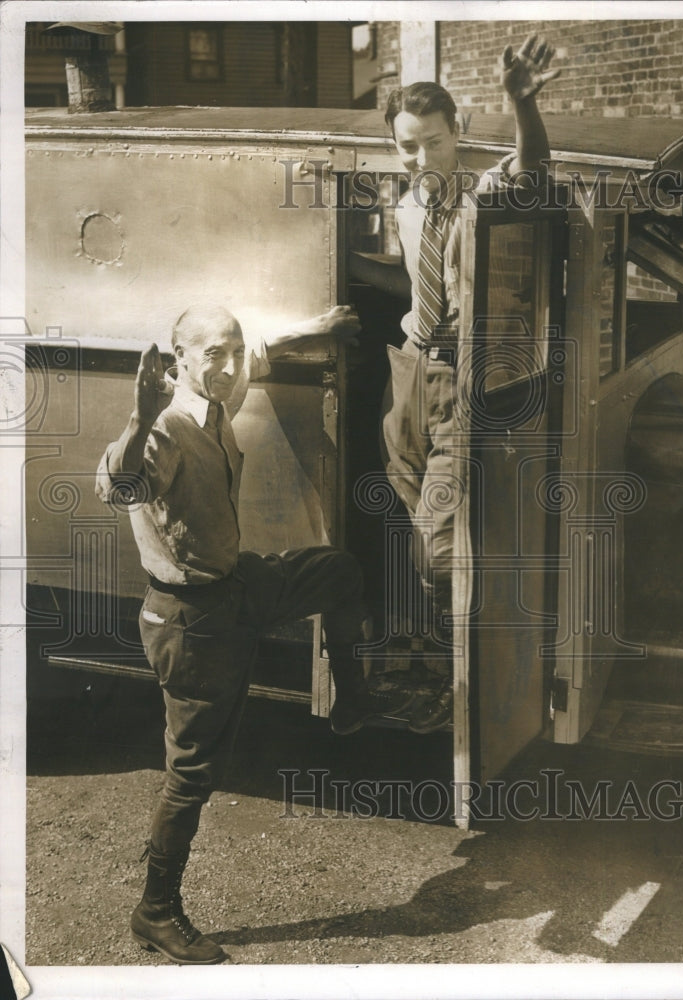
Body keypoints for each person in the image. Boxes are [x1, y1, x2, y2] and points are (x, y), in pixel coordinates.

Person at [96, 303, 405, 965]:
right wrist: (138, 415)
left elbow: (257, 349)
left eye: (232, 351)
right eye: (214, 353)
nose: (230, 365)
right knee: (192, 775)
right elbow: (119, 484)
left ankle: (350, 700)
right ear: (180, 361)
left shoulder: (217, 396)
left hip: (237, 587)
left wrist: (314, 325)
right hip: (191, 620)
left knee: (337, 571)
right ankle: (155, 910)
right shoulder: (167, 427)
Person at [353, 35, 560, 733]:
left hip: (463, 379)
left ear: (458, 136)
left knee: (442, 548)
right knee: (413, 528)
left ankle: (467, 686)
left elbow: (534, 168)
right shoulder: (406, 203)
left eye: (432, 143)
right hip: (407, 374)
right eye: (406, 146)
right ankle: (435, 671)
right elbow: (414, 280)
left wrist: (521, 103)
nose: (419, 159)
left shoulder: (487, 193)